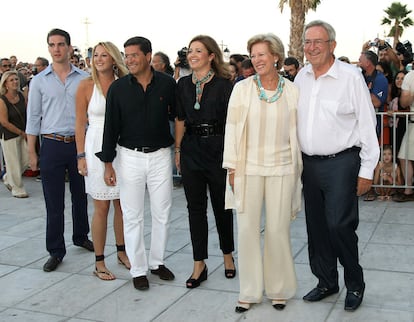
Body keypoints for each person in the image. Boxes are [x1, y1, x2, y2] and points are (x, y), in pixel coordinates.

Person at [295, 20, 379, 312]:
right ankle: (326, 282)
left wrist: (367, 170)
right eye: (307, 42)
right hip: (309, 165)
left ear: (332, 45)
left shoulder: (350, 76)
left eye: (318, 41)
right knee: (316, 229)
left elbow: (368, 125)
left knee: (340, 225)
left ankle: (354, 283)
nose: (312, 47)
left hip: (342, 162)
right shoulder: (301, 77)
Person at [223, 33, 302, 313]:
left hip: (282, 168)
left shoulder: (292, 90)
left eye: (262, 55)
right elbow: (231, 129)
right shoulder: (242, 89)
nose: (256, 60)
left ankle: (278, 289)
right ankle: (249, 292)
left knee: (278, 230)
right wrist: (232, 167)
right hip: (248, 169)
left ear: (276, 57)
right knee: (246, 231)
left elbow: (298, 133)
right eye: (253, 55)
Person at [97, 36, 176, 291]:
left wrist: (180, 150)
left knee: (162, 212)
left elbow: (177, 116)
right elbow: (110, 127)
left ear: (147, 55)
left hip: (161, 156)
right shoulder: (118, 89)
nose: (128, 59)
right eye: (126, 55)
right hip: (128, 157)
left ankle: (157, 262)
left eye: (133, 55)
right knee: (132, 215)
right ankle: (138, 269)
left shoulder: (166, 84)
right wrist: (108, 163)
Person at [26, 28, 93, 273]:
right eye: (52, 45)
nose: (57, 49)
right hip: (52, 145)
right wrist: (32, 152)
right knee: (54, 201)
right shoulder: (39, 81)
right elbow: (33, 118)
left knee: (80, 196)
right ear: (48, 48)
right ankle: (55, 250)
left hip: (79, 143)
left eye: (61, 44)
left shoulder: (85, 78)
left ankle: (80, 236)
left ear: (69, 47)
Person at [175, 35, 236, 290]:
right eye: (190, 50)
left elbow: (233, 123)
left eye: (198, 50)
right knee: (195, 208)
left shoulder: (225, 85)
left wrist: (232, 157)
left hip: (219, 149)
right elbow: (179, 118)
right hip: (191, 149)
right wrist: (178, 150)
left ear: (211, 55)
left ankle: (227, 255)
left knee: (223, 206)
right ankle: (199, 263)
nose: (193, 54)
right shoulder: (182, 85)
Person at [75, 41, 131, 281]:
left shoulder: (125, 84)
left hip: (122, 147)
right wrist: (81, 156)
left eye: (104, 55)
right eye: (95, 55)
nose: (98, 59)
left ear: (114, 58)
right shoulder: (86, 86)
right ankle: (99, 262)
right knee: (101, 206)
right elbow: (79, 124)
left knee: (123, 205)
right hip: (96, 145)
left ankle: (122, 251)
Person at [0, 71, 29, 198]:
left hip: (23, 132)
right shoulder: (2, 100)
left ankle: (8, 177)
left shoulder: (21, 96)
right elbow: (4, 122)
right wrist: (20, 132)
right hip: (9, 134)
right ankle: (17, 188)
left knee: (26, 160)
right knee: (13, 162)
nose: (15, 82)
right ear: (5, 84)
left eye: (16, 79)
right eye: (11, 80)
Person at [394, 70, 414, 202]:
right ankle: (408, 191)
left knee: (404, 156)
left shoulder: (411, 76)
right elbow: (404, 103)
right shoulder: (410, 75)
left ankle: (408, 190)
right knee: (404, 156)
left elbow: (404, 102)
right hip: (413, 122)